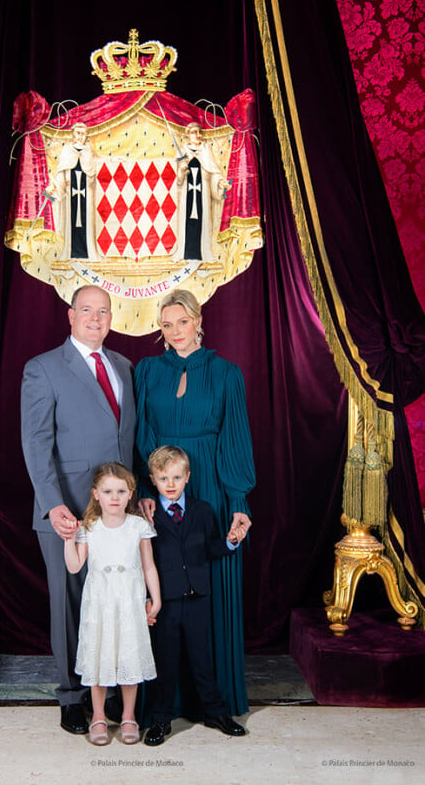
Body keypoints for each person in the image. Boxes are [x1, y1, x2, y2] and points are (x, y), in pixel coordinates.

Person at [135, 288, 255, 720]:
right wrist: (148, 493)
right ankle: (164, 705)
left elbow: (235, 436)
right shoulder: (147, 371)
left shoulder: (226, 373)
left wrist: (238, 499)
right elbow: (142, 435)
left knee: (212, 588)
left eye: (181, 322)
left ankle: (216, 701)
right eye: (166, 325)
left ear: (198, 321)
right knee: (164, 586)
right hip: (162, 491)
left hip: (213, 491)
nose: (174, 332)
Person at [21, 285, 136, 736]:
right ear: (70, 316)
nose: (95, 317)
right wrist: (52, 505)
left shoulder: (124, 366)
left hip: (118, 512)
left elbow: (126, 441)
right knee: (71, 606)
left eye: (103, 311)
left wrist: (136, 493)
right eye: (86, 310)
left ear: (112, 317)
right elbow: (35, 443)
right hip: (67, 510)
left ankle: (114, 699)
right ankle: (72, 697)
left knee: (118, 601)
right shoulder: (43, 369)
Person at [143, 446, 246, 746]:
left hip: (199, 598)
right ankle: (160, 719)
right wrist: (147, 599)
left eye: (176, 477)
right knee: (166, 661)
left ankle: (215, 712)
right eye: (163, 478)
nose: (171, 484)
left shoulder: (202, 510)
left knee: (203, 658)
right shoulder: (147, 516)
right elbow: (145, 562)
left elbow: (209, 549)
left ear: (188, 477)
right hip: (167, 603)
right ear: (153, 480)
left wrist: (228, 543)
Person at [64, 462, 161, 746]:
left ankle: (129, 716)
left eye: (121, 490)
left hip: (130, 602)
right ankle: (98, 717)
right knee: (100, 658)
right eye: (108, 491)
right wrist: (69, 540)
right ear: (96, 494)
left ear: (130, 493)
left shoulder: (138, 526)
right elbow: (74, 567)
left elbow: (148, 566)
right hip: (100, 605)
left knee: (128, 656)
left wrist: (155, 599)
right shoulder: (90, 528)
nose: (114, 497)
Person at [176, 123, 229, 262]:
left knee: (202, 219)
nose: (198, 135)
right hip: (187, 192)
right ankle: (185, 253)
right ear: (188, 135)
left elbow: (214, 171)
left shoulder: (206, 150)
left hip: (203, 191)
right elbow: (177, 179)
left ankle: (203, 253)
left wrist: (219, 182)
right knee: (188, 221)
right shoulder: (183, 151)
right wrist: (181, 169)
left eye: (199, 132)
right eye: (194, 132)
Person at [46, 122, 98, 260]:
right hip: (70, 195)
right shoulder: (67, 151)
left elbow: (92, 175)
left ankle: (88, 253)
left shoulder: (88, 151)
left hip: (86, 194)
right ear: (73, 134)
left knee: (85, 224)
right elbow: (61, 174)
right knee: (71, 223)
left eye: (83, 134)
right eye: (78, 133)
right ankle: (69, 253)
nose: (81, 137)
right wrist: (54, 188)